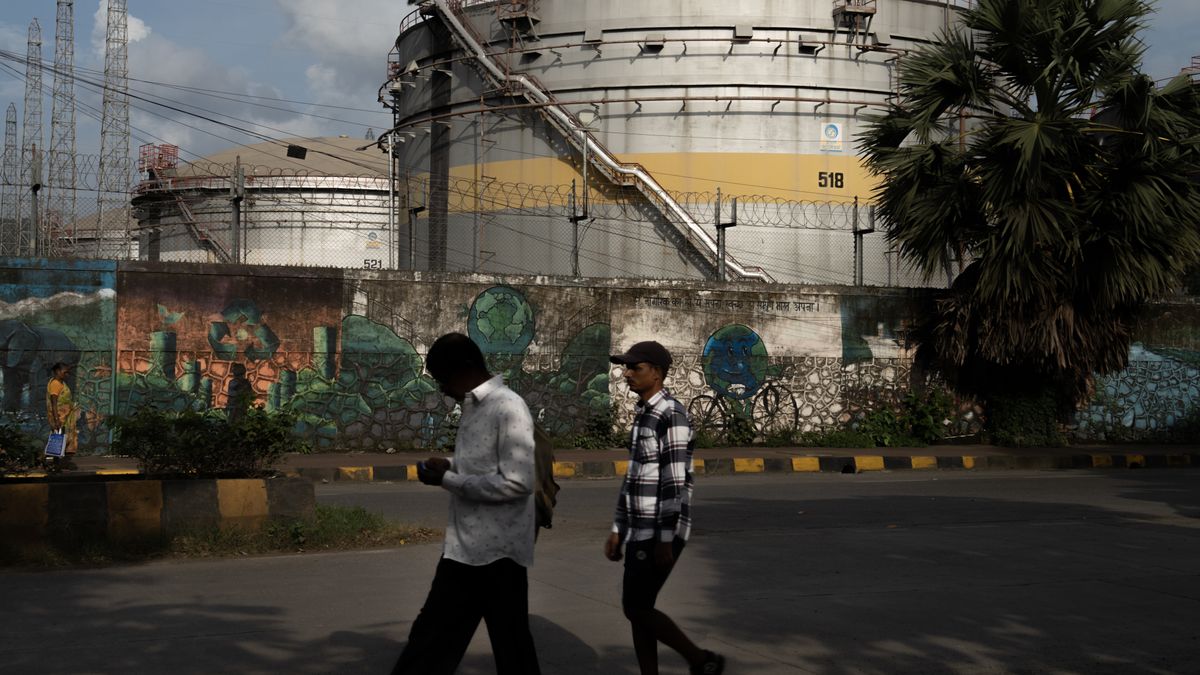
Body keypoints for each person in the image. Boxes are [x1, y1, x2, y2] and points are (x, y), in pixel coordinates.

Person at [392, 332, 541, 675]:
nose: (442, 389)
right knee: (436, 642)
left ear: (466, 368)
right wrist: (451, 466)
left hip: (497, 554)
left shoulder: (507, 406)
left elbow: (517, 482)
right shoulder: (474, 407)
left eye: (444, 379)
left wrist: (447, 479)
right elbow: (484, 467)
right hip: (469, 549)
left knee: (495, 647)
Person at [606, 341, 725, 675]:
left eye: (635, 368)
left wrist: (663, 538)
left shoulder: (670, 415)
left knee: (637, 608)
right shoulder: (644, 412)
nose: (627, 374)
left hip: (660, 530)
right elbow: (635, 476)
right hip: (639, 528)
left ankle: (701, 660)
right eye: (626, 368)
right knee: (639, 608)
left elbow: (674, 481)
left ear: (656, 373)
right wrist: (617, 529)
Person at [45, 362, 78, 458]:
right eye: (65, 372)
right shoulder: (55, 384)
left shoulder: (60, 383)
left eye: (68, 373)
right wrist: (56, 419)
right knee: (58, 440)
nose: (67, 375)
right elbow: (54, 403)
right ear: (57, 371)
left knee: (64, 440)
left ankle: (60, 461)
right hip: (60, 417)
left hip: (65, 417)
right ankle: (54, 461)